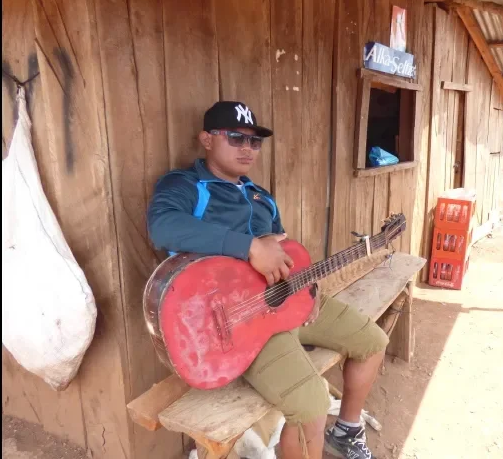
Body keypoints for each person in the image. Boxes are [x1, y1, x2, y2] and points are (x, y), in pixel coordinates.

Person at [146, 101, 387, 459]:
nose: (247, 148)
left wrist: (309, 286)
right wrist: (248, 247)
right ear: (207, 140)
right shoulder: (187, 185)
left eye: (254, 142)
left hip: (285, 301)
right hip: (236, 324)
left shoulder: (261, 197)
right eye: (236, 138)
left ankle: (347, 432)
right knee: (311, 405)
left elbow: (282, 253)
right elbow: (163, 226)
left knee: (372, 341)